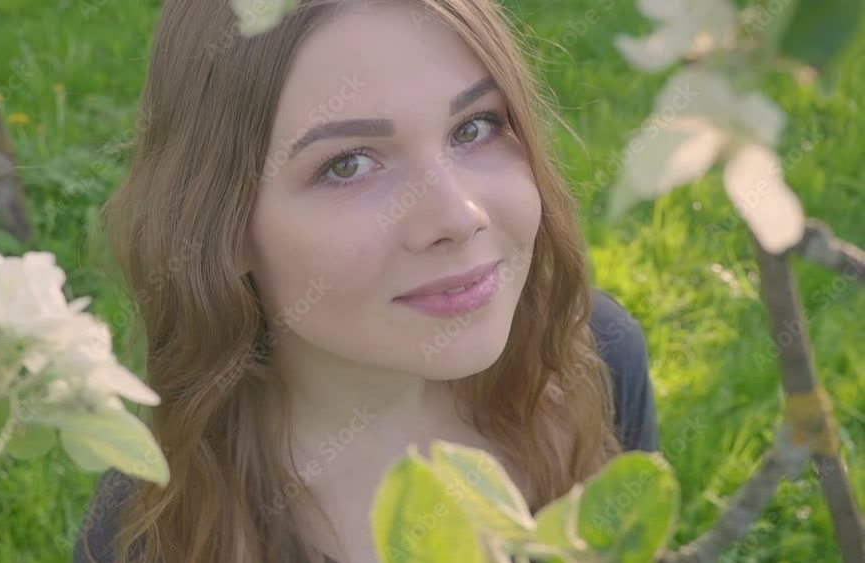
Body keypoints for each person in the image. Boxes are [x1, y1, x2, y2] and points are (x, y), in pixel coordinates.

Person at [79, 1, 660, 562]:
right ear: (221, 227)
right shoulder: (154, 528)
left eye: (474, 127)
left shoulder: (591, 364)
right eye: (349, 164)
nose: (459, 216)